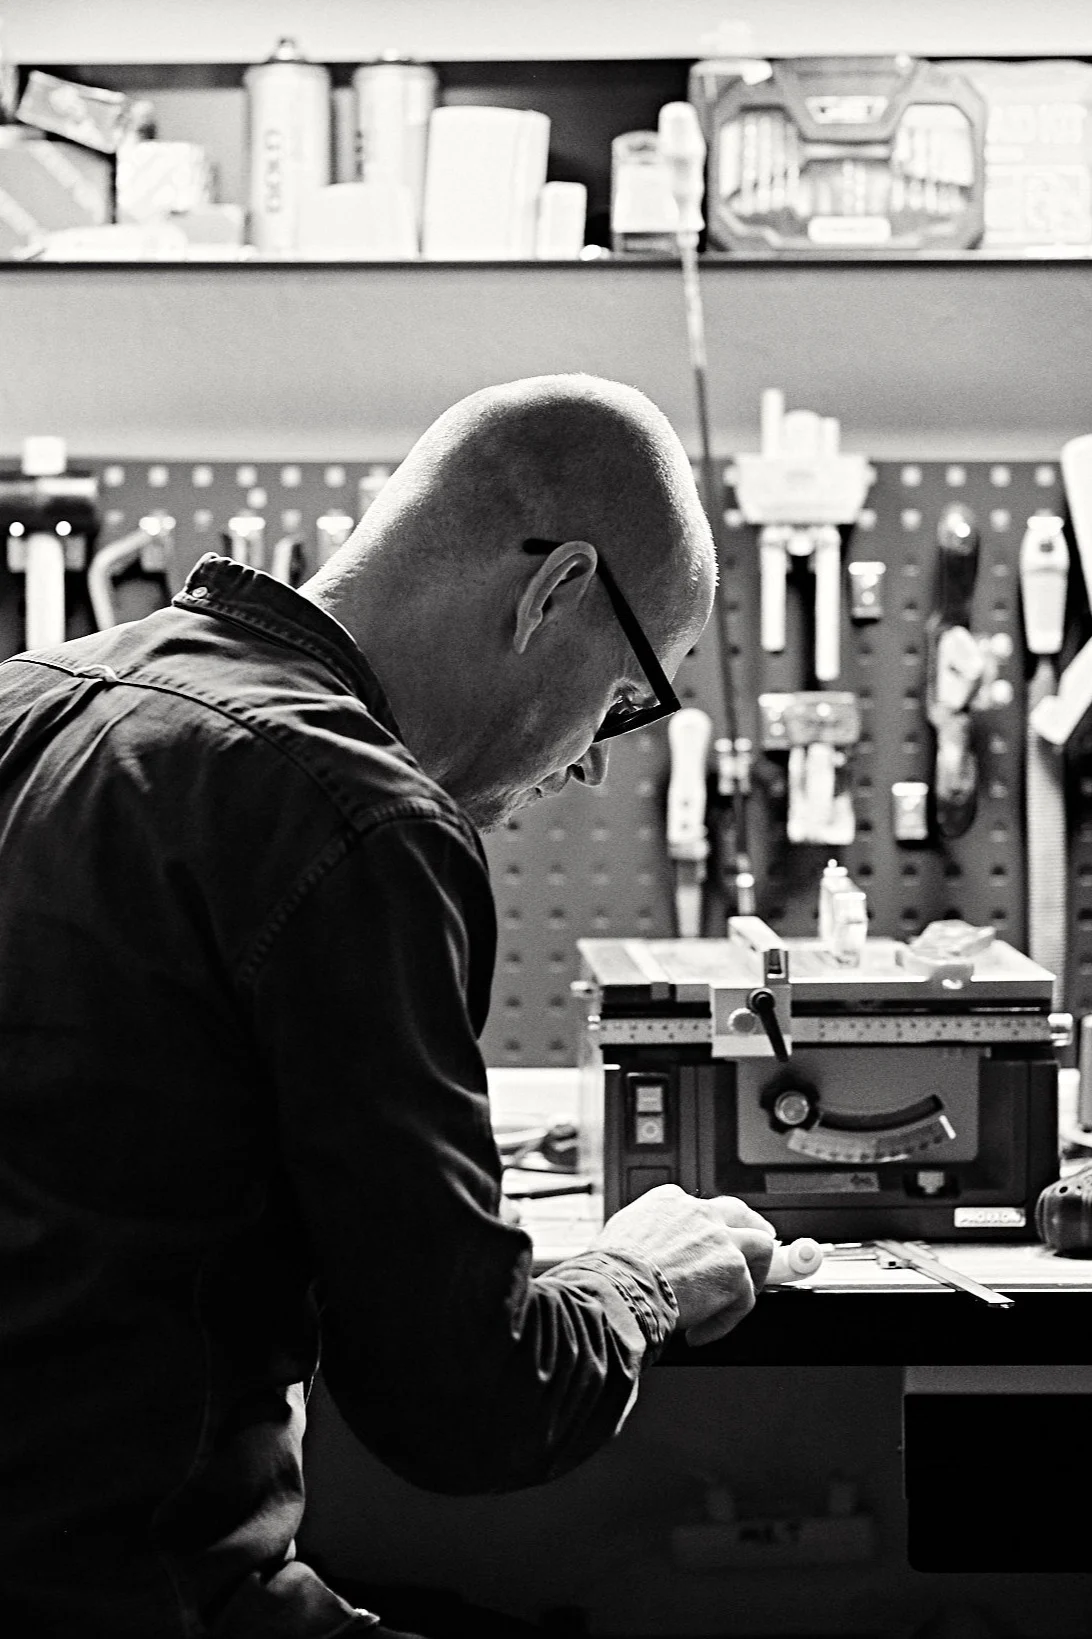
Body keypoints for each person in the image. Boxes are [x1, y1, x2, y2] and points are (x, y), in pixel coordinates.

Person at [0, 374, 776, 1638]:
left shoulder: (31, 695)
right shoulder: (358, 818)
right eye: (629, 698)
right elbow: (471, 1404)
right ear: (557, 590)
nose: (593, 758)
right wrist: (638, 1277)